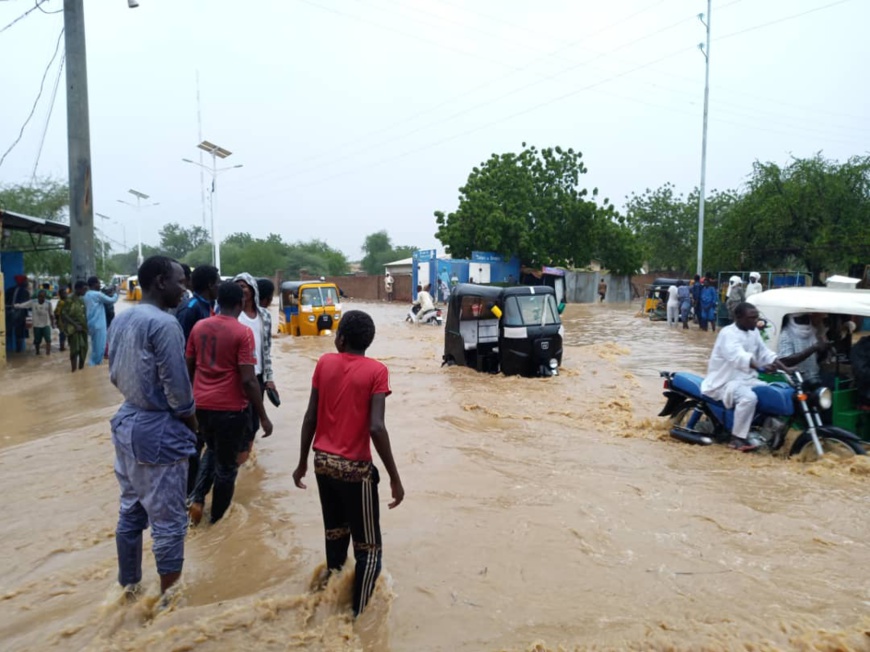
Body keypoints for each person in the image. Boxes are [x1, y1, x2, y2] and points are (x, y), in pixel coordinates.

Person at [292, 310, 404, 617]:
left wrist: (301, 462)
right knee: (369, 549)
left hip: (322, 463)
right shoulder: (377, 371)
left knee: (335, 534)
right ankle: (354, 618)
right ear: (369, 341)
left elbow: (310, 416)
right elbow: (377, 427)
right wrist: (395, 477)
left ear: (340, 338)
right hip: (355, 470)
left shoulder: (325, 363)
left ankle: (331, 596)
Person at [107, 256, 197, 602]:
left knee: (131, 510)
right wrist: (192, 424)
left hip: (126, 422)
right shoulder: (164, 324)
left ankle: (128, 588)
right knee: (170, 521)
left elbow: (113, 371)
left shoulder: (123, 318)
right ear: (160, 281)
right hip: (158, 430)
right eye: (179, 281)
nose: (183, 288)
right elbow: (178, 389)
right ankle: (170, 599)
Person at [187, 282, 273, 525]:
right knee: (227, 468)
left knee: (212, 450)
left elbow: (189, 366)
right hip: (230, 410)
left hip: (201, 406)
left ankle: (196, 499)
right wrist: (263, 416)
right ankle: (217, 522)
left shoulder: (199, 327)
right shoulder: (242, 333)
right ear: (240, 304)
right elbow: (248, 379)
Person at [701, 302, 804, 451]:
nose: (755, 321)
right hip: (723, 382)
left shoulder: (753, 332)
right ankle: (737, 438)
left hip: (746, 380)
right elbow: (738, 356)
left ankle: (760, 430)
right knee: (749, 398)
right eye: (751, 318)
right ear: (738, 317)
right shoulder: (727, 333)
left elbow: (765, 353)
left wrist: (786, 369)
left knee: (771, 392)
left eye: (756, 317)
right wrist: (760, 367)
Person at [233, 273, 277, 461]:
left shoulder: (264, 316)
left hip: (257, 377)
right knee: (238, 422)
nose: (242, 290)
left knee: (253, 423)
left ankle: (245, 460)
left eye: (244, 286)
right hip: (236, 376)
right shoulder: (232, 315)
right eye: (238, 286)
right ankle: (238, 461)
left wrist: (269, 378)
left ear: (252, 289)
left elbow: (266, 349)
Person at [776, 314, 830, 387]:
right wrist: (814, 348)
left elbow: (818, 359)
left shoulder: (813, 332)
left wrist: (824, 349)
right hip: (796, 380)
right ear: (792, 320)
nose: (804, 321)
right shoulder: (786, 334)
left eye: (805, 318)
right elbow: (785, 361)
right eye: (800, 319)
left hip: (814, 376)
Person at [176, 265, 220, 342]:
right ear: (210, 285)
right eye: (218, 283)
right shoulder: (190, 308)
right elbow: (181, 340)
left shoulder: (211, 305)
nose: (220, 286)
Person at [84, 276, 118, 366]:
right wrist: (116, 293)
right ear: (94, 284)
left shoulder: (87, 294)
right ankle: (94, 366)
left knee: (94, 347)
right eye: (98, 283)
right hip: (99, 325)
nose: (99, 285)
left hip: (91, 324)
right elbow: (112, 300)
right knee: (100, 349)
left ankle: (92, 367)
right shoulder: (97, 295)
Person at [14, 289, 56, 355]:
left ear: (45, 297)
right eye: (39, 296)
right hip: (36, 325)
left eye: (42, 296)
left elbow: (51, 314)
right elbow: (23, 305)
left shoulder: (48, 303)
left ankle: (48, 353)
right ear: (37, 296)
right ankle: (37, 352)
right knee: (37, 341)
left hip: (46, 324)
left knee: (48, 340)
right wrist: (15, 306)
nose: (41, 298)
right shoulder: (33, 302)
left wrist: (53, 324)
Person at [63, 282, 89, 372]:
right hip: (73, 328)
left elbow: (83, 314)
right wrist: (75, 325)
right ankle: (73, 370)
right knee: (75, 349)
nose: (85, 291)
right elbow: (64, 314)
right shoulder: (69, 299)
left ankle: (81, 370)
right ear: (78, 289)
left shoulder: (81, 300)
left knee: (84, 348)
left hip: (83, 327)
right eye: (84, 289)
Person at [7, 275, 30, 353]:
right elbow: (28, 305)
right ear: (22, 282)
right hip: (20, 316)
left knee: (7, 333)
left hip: (8, 314)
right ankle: (18, 353)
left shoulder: (9, 290)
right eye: (26, 281)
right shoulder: (25, 292)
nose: (27, 283)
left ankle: (6, 351)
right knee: (19, 335)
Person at [55, 286, 69, 352]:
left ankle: (63, 347)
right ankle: (62, 347)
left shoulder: (66, 301)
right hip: (62, 322)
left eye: (66, 293)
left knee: (65, 334)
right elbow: (57, 313)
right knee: (62, 335)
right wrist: (57, 322)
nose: (65, 294)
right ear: (60, 295)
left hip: (67, 321)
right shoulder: (61, 302)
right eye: (63, 293)